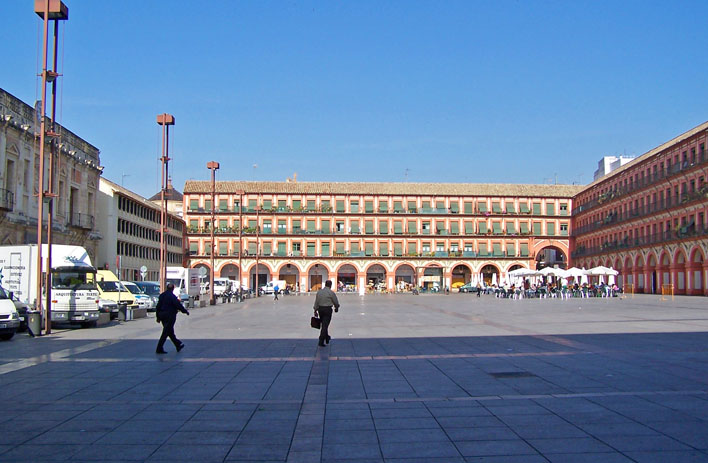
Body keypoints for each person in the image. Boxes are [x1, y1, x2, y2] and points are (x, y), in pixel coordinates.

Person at [155, 282, 189, 354]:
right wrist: (185, 311)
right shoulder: (172, 296)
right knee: (166, 332)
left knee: (169, 331)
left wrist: (158, 317)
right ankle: (159, 348)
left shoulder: (162, 295)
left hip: (162, 315)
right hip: (169, 316)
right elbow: (178, 305)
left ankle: (178, 344)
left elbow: (158, 306)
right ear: (173, 289)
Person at [313, 280, 340, 347]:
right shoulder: (331, 292)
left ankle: (327, 337)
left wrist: (315, 310)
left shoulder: (319, 292)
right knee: (325, 325)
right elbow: (335, 302)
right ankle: (321, 340)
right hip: (327, 309)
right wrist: (336, 308)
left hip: (320, 309)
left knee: (324, 324)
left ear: (325, 284)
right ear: (330, 285)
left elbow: (316, 302)